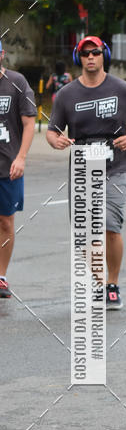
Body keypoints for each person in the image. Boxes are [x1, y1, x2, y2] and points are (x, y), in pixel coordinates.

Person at [47, 35, 126, 310]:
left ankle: (112, 284)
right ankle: (98, 282)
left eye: (96, 52)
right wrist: (55, 140)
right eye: (85, 53)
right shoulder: (67, 94)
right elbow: (52, 131)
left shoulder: (122, 88)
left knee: (110, 227)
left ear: (104, 56)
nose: (91, 57)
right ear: (78, 58)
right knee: (84, 231)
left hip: (114, 166)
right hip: (82, 167)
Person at [0, 40, 37, 299]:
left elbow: (29, 122)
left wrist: (21, 157)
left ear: (2, 55)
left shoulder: (17, 82)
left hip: (7, 166)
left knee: (5, 222)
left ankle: (0, 276)